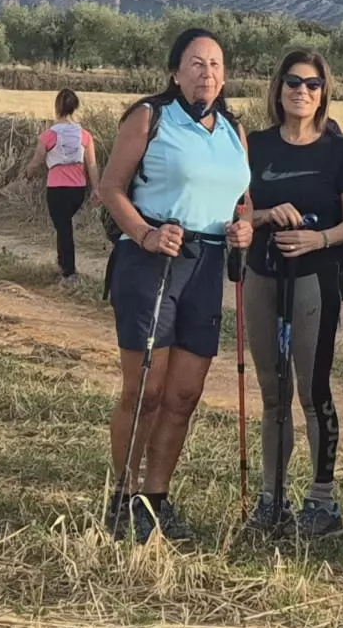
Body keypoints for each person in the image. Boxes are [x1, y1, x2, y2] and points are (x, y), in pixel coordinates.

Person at [99, 28, 254, 544]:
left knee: (184, 394)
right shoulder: (150, 116)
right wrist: (142, 233)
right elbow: (111, 188)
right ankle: (120, 497)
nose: (206, 73)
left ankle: (154, 498)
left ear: (224, 75)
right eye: (195, 63)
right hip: (152, 262)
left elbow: (242, 199)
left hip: (208, 263)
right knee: (146, 390)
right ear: (174, 71)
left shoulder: (234, 128)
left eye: (214, 64)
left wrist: (244, 225)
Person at [243, 50, 343, 538]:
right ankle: (272, 500)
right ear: (278, 88)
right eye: (293, 82)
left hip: (316, 278)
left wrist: (320, 239)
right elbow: (237, 214)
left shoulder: (339, 152)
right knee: (274, 395)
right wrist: (267, 217)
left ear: (323, 92)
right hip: (262, 276)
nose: (301, 91)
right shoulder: (254, 145)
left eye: (312, 84)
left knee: (314, 393)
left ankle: (322, 500)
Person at [18, 89, 100, 284]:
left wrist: (27, 174)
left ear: (56, 107)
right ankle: (62, 264)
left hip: (56, 188)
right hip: (78, 189)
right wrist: (96, 188)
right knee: (64, 226)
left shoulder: (48, 135)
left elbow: (37, 162)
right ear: (76, 107)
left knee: (63, 228)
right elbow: (92, 165)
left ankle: (69, 272)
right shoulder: (85, 135)